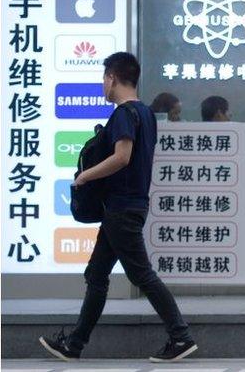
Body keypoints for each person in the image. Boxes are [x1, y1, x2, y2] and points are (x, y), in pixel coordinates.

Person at [39, 52, 197, 363]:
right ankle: (74, 345)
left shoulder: (125, 114)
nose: (102, 85)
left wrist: (84, 175)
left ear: (112, 78)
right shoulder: (147, 114)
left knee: (142, 275)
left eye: (103, 79)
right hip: (128, 206)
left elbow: (122, 156)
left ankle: (181, 337)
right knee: (97, 273)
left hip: (122, 209)